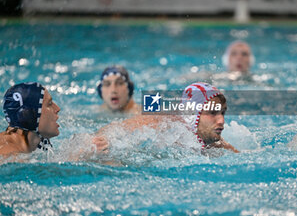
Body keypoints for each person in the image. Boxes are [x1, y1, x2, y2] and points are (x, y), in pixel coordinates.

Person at [94, 82, 239, 153]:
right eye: (212, 113)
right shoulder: (164, 122)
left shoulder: (215, 143)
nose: (221, 121)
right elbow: (116, 129)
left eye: (222, 113)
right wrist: (104, 140)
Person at [0, 82, 60, 157]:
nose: (57, 109)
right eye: (49, 104)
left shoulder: (32, 145)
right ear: (28, 114)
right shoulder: (8, 155)